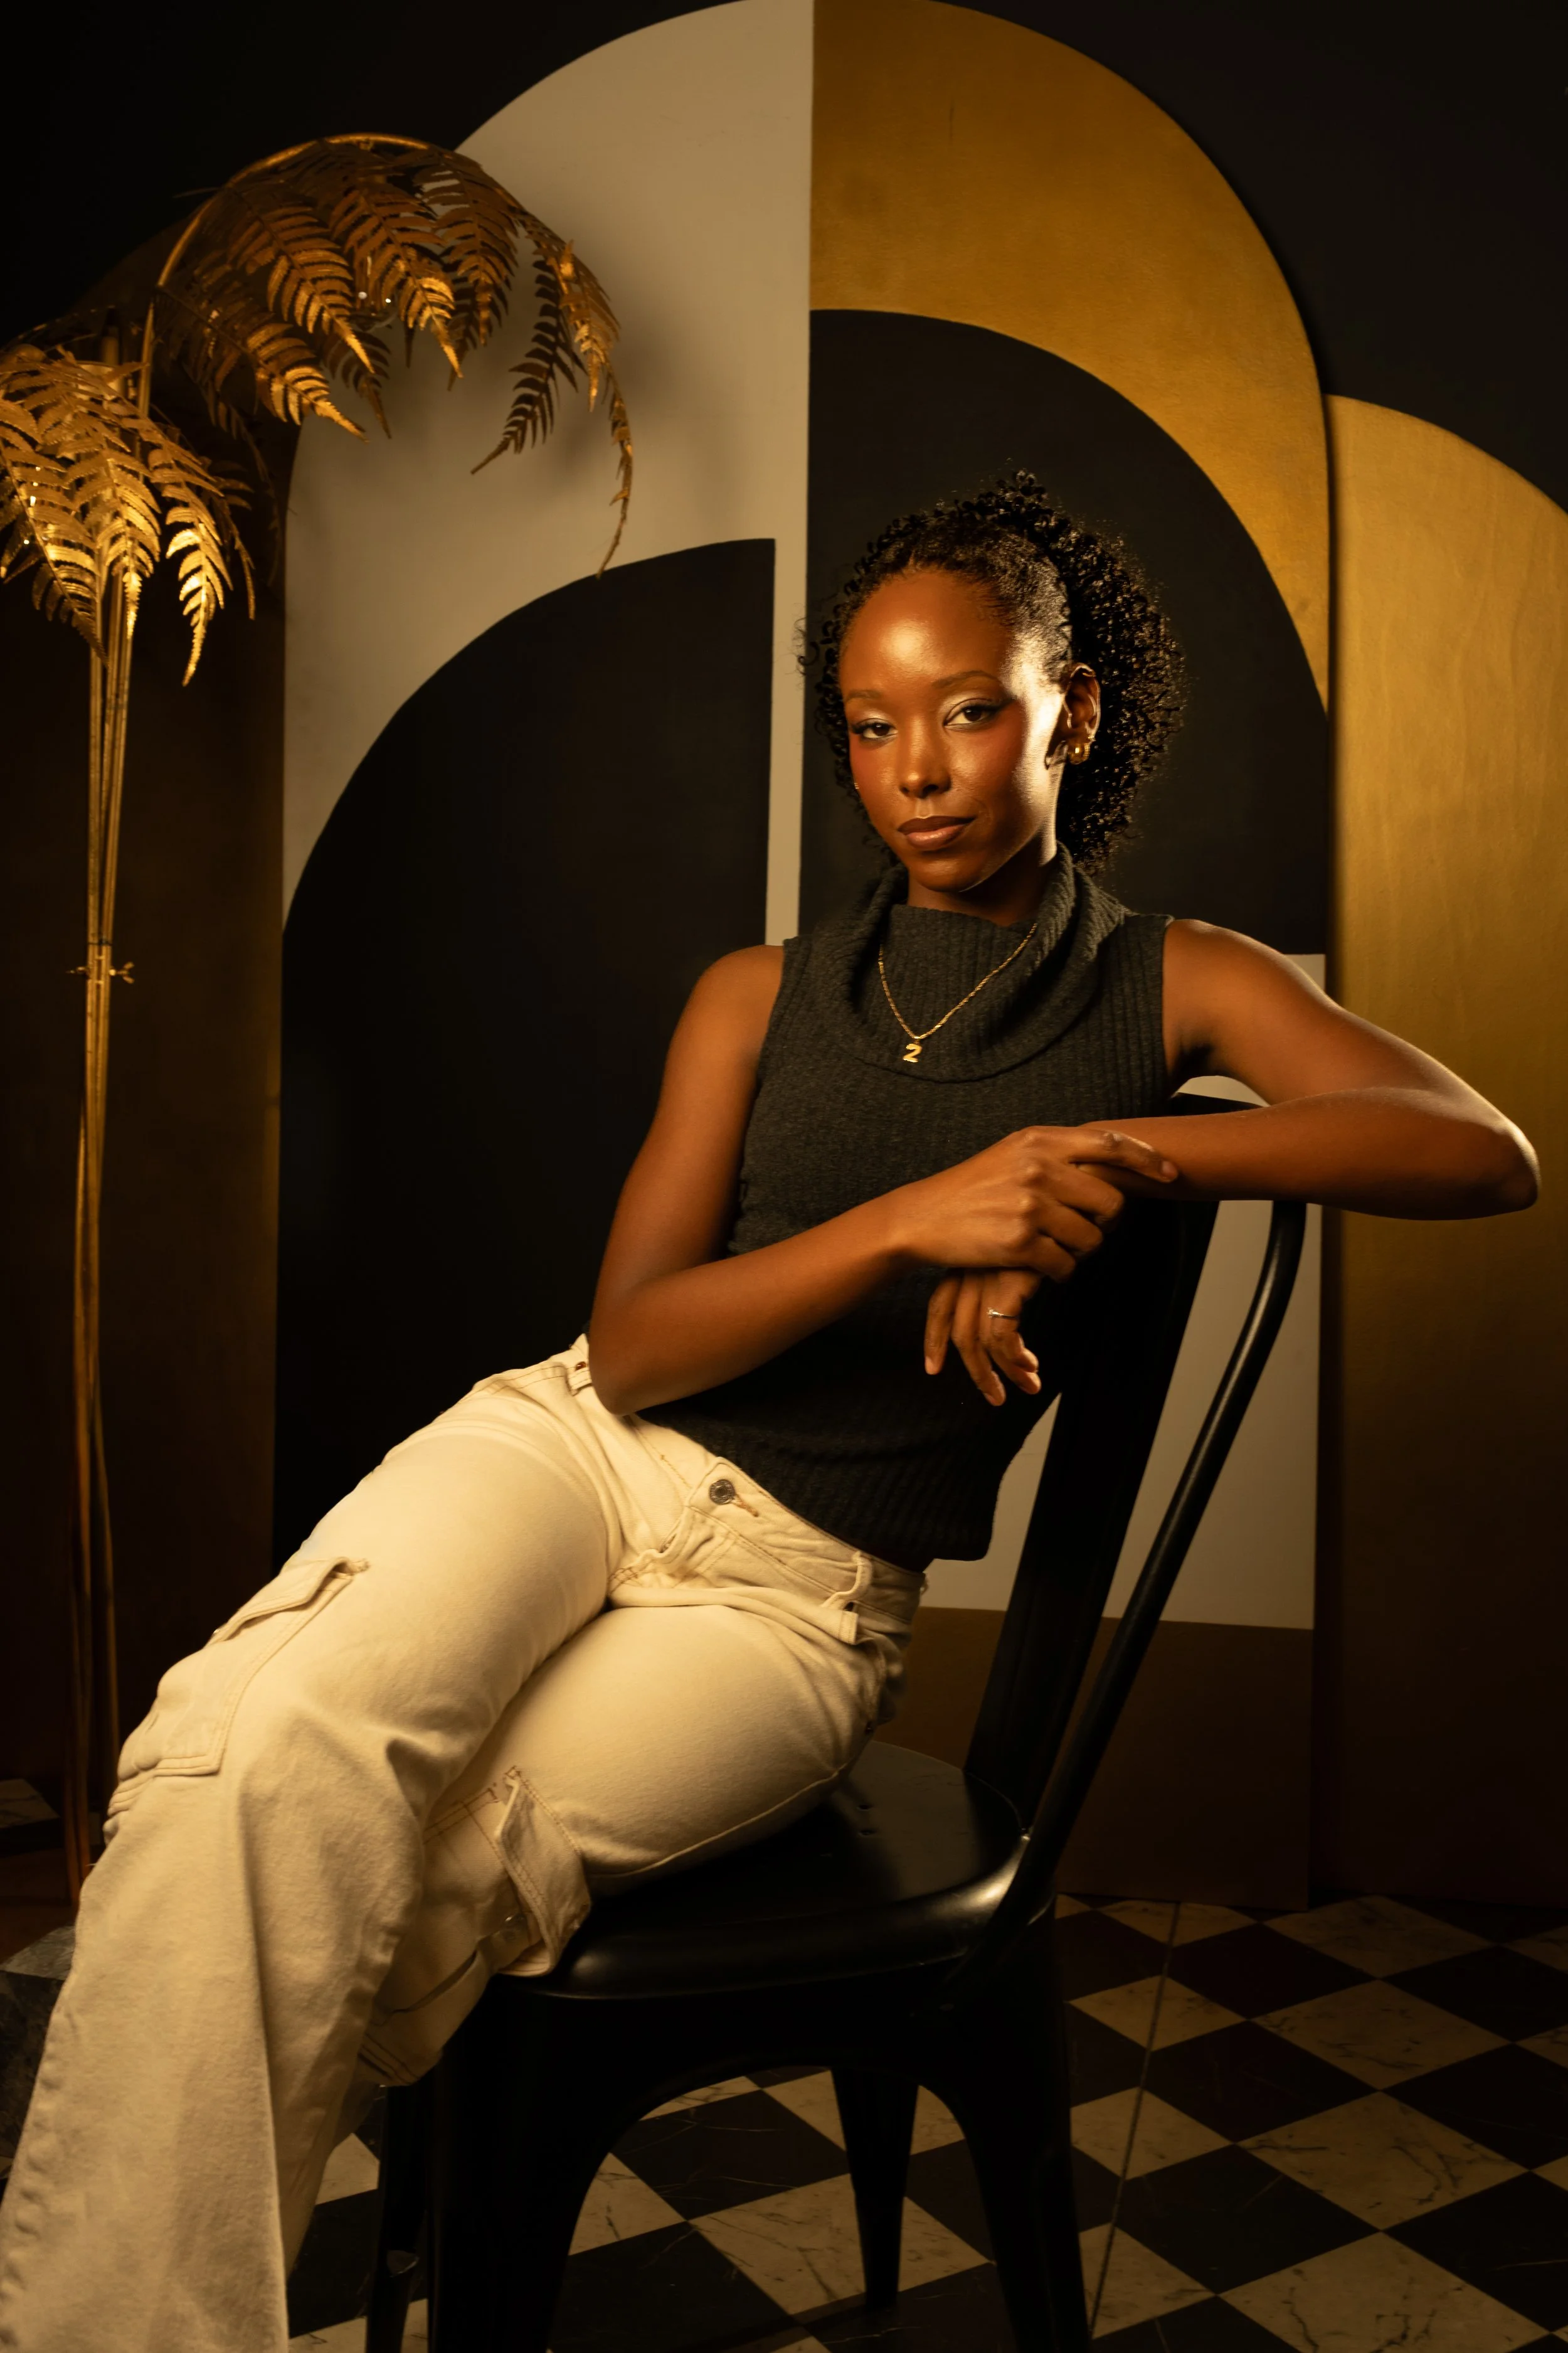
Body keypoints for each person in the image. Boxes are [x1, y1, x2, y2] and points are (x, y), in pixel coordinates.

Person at [0, 477, 1536, 2353]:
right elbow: (637, 1348)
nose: (918, 771)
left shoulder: (1171, 982)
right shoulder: (756, 993)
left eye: (968, 710)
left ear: (1071, 710)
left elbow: (1481, 1151)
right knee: (254, 1745)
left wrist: (1100, 1154)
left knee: (368, 1857)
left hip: (792, 1597)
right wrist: (917, 1219)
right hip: (575, 1450)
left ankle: (99, 2051)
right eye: (872, 726)